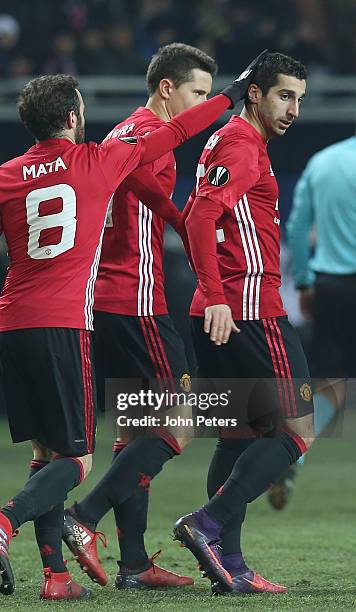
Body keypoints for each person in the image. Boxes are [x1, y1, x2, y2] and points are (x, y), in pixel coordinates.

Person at [0, 58, 263, 601]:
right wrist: (230, 97)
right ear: (71, 117)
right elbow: (180, 130)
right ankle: (7, 518)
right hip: (64, 324)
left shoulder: (2, 176)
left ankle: (56, 578)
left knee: (45, 453)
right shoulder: (99, 160)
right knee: (77, 460)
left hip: (9, 326)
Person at [62, 42, 217, 589]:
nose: (202, 104)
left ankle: (133, 564)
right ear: (167, 88)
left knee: (135, 431)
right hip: (136, 299)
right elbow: (147, 190)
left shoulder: (119, 135)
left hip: (104, 299)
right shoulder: (145, 136)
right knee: (184, 420)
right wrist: (182, 222)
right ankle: (84, 514)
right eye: (197, 92)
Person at [173, 52, 315, 595]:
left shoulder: (229, 140)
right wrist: (219, 293)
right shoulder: (241, 143)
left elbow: (195, 214)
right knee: (297, 432)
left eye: (299, 98)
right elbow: (201, 216)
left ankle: (230, 563)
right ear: (253, 93)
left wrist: (211, 295)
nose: (293, 109)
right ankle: (206, 524)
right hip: (250, 312)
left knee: (237, 439)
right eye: (284, 95)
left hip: (219, 312)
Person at [272, 134, 356, 508]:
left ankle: (293, 456)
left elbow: (295, 227)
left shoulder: (323, 161)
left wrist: (304, 282)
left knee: (329, 385)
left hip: (331, 285)